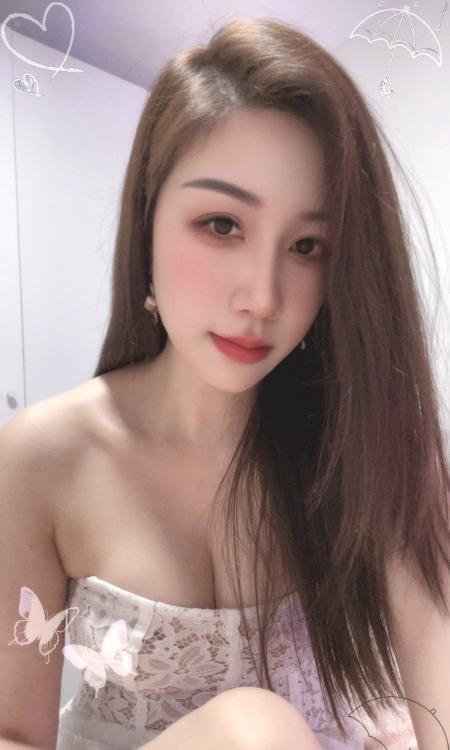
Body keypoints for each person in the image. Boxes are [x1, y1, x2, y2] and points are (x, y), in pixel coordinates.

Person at [1, 15, 449, 750]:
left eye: (307, 245)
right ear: (147, 223)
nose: (263, 298)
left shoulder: (369, 446)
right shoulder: (43, 457)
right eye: (220, 225)